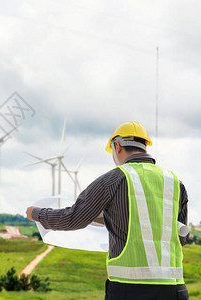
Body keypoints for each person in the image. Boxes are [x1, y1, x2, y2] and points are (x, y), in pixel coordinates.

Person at [26, 121, 189, 300]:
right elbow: (181, 237)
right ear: (145, 146)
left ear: (117, 146)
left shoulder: (113, 180)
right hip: (174, 289)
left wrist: (36, 213)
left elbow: (73, 218)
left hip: (128, 290)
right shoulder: (175, 183)